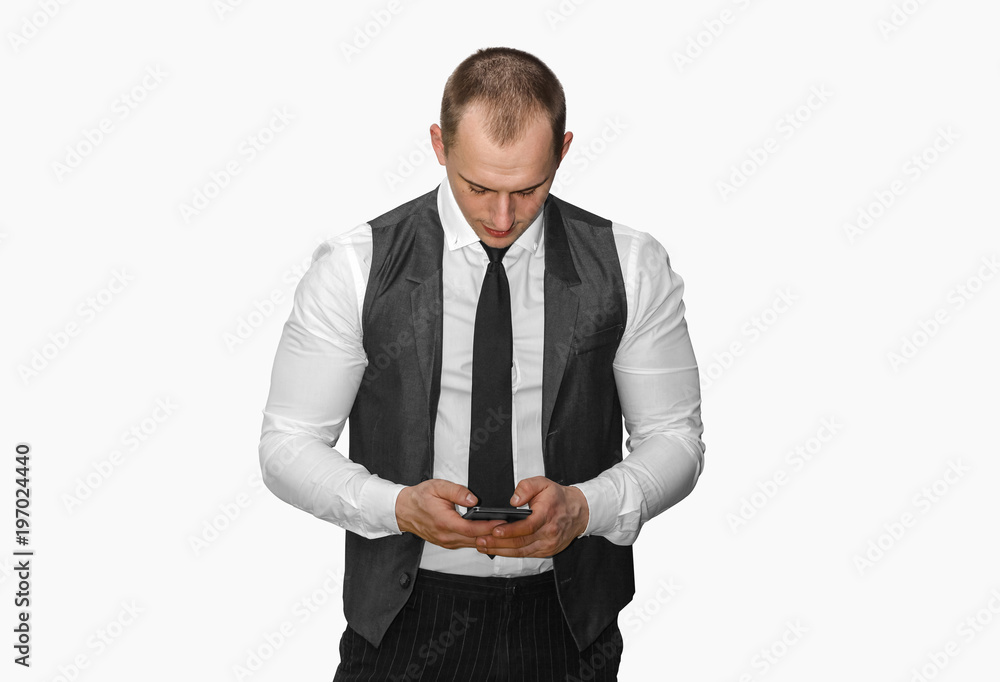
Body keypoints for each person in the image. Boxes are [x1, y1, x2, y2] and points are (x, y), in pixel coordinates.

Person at [258, 46, 705, 681]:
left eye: (528, 188)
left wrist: (587, 506)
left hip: (568, 622)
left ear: (564, 150)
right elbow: (287, 445)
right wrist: (396, 507)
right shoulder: (355, 267)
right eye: (479, 187)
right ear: (439, 145)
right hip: (402, 621)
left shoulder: (630, 265)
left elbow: (675, 440)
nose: (502, 217)